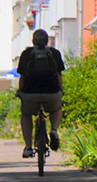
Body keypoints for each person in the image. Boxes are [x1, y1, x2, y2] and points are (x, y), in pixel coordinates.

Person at [17, 28, 65, 158]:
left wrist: (20, 92)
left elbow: (22, 77)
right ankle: (53, 130)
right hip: (51, 92)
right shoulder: (54, 53)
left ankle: (28, 147)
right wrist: (60, 90)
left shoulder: (26, 54)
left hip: (30, 93)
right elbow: (58, 75)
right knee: (57, 108)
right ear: (47, 41)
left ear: (33, 41)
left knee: (26, 114)